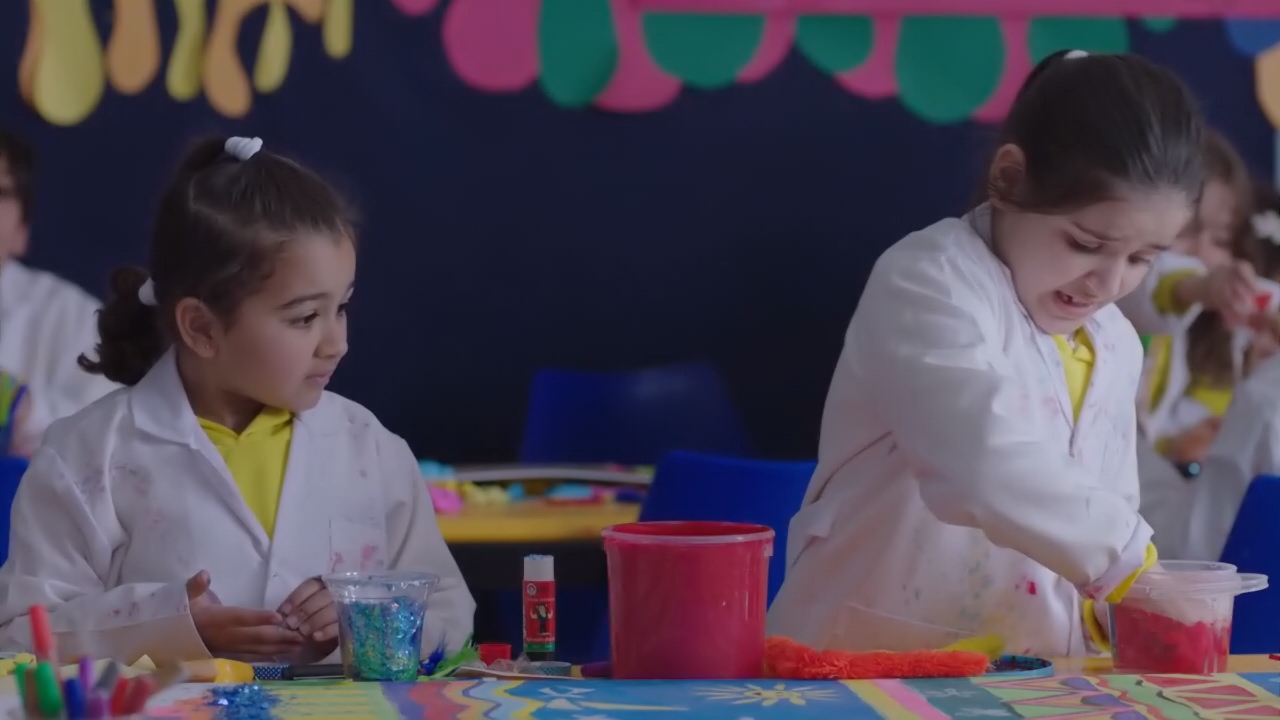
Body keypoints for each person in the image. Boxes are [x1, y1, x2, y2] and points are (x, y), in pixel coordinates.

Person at [767, 50, 1204, 657]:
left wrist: (1110, 611)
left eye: (1140, 259)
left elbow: (1100, 508)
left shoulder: (1113, 340)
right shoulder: (927, 281)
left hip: (1030, 675)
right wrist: (1133, 570)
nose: (1109, 284)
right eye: (1085, 244)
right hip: (867, 660)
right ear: (1009, 178)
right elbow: (979, 457)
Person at [0, 137, 474, 663]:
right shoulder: (86, 457)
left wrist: (364, 617)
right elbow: (21, 634)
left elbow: (451, 617)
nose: (337, 343)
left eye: (341, 308)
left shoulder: (372, 450)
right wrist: (172, 626)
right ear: (202, 328)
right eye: (304, 318)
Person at [1116, 131, 1258, 460]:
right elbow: (1157, 283)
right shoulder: (1124, 295)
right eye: (1184, 233)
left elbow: (1159, 429)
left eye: (1220, 241)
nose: (1203, 253)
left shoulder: (1196, 340)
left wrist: (1187, 440)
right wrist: (1200, 287)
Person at [0, 128, 117, 437]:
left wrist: (27, 410)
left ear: (22, 231)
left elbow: (111, 425)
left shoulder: (71, 315)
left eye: (0, 193)